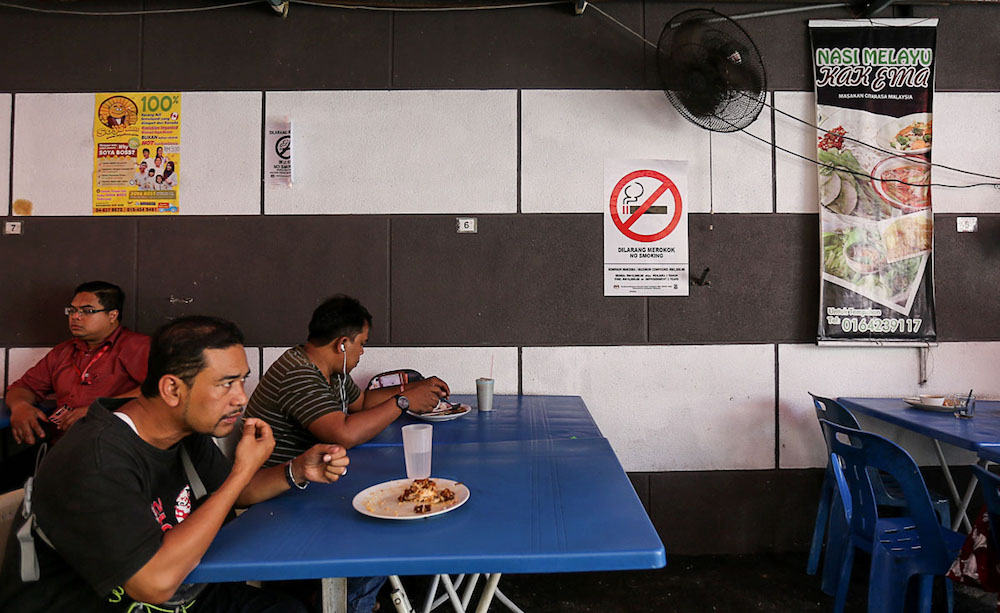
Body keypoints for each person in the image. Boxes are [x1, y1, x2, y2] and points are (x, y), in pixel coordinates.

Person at [0, 315, 350, 612]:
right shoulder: (96, 458)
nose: (241, 398)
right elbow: (153, 584)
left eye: (241, 380)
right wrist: (242, 471)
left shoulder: (183, 431)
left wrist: (299, 469)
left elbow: (235, 492)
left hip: (189, 590)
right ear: (171, 389)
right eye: (226, 384)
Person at [246, 294, 450, 464]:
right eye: (361, 343)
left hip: (312, 475)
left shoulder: (331, 370)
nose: (361, 351)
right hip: (278, 494)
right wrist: (403, 402)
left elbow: (361, 403)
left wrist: (416, 387)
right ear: (342, 344)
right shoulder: (297, 372)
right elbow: (344, 434)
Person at [5, 281, 149, 445]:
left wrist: (100, 410)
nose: (76, 316)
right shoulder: (64, 351)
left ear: (112, 315)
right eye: (72, 310)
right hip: (63, 443)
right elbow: (23, 387)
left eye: (87, 311)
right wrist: (20, 406)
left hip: (113, 444)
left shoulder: (137, 346)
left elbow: (159, 389)